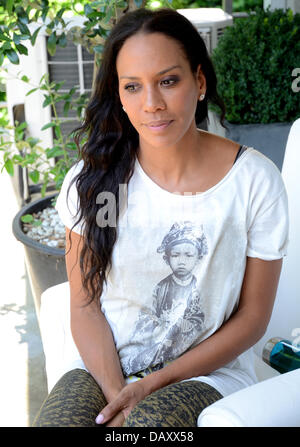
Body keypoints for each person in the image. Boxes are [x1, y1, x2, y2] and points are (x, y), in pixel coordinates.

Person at [33, 7, 289, 427]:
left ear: (199, 82)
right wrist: (119, 397)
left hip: (208, 372)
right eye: (133, 87)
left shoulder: (254, 182)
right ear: (119, 95)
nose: (151, 104)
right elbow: (85, 305)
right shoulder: (93, 178)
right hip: (104, 366)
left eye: (168, 81)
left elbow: (252, 318)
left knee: (146, 430)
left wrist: (151, 388)